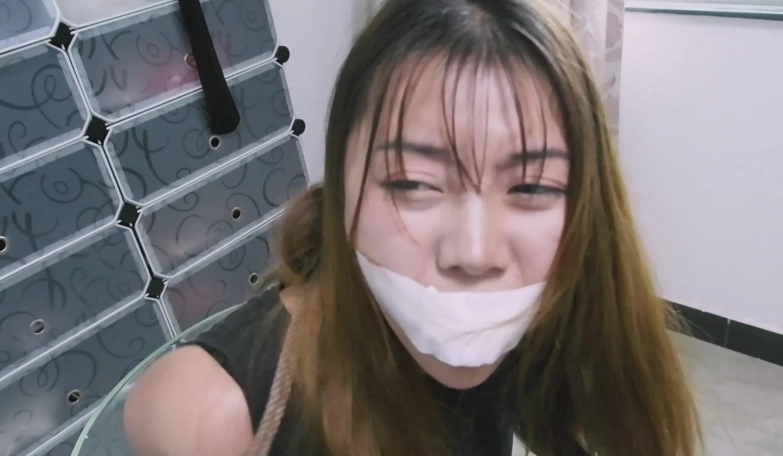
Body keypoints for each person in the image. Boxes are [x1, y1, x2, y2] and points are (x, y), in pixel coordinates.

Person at [123, 0, 701, 455]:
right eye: (415, 183)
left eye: (530, 188)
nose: (475, 253)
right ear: (341, 188)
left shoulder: (547, 337)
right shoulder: (206, 413)